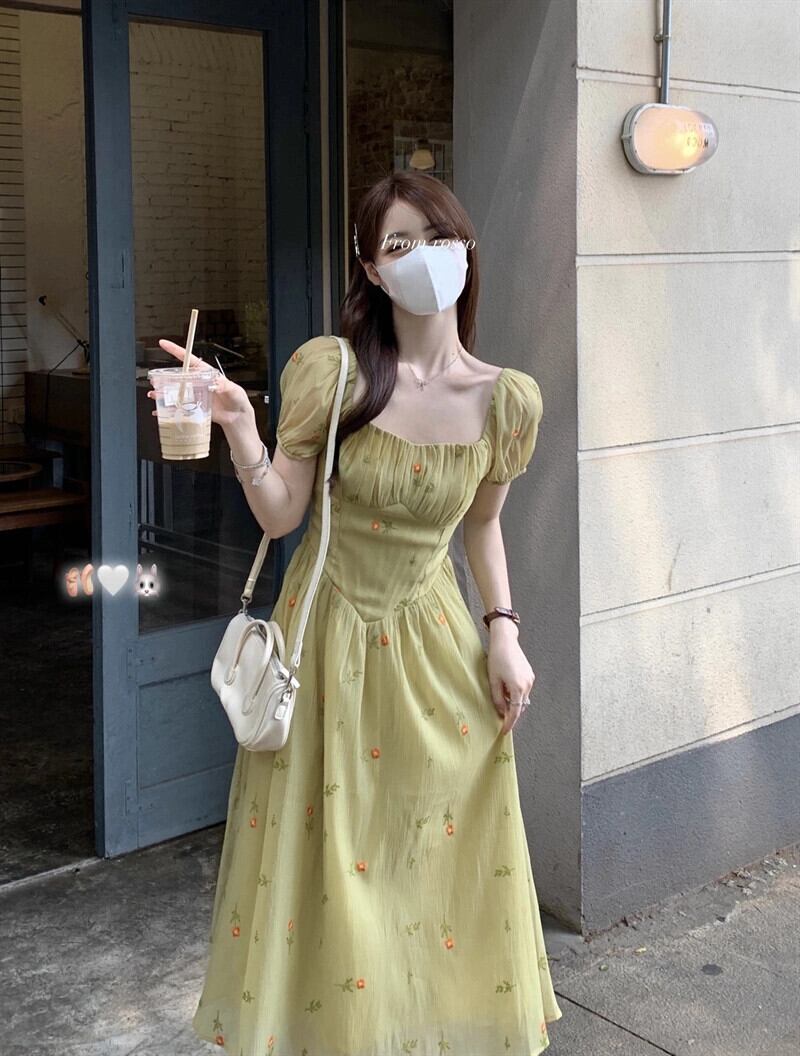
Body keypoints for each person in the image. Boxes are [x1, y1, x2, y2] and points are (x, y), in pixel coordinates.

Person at [149, 170, 562, 1055]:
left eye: (437, 238)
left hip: (436, 644)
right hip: (326, 637)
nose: (423, 258)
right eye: (398, 244)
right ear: (371, 269)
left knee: (434, 857)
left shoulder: (507, 399)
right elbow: (281, 514)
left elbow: (482, 526)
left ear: (467, 251)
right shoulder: (332, 372)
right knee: (329, 863)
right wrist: (239, 426)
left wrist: (504, 633)